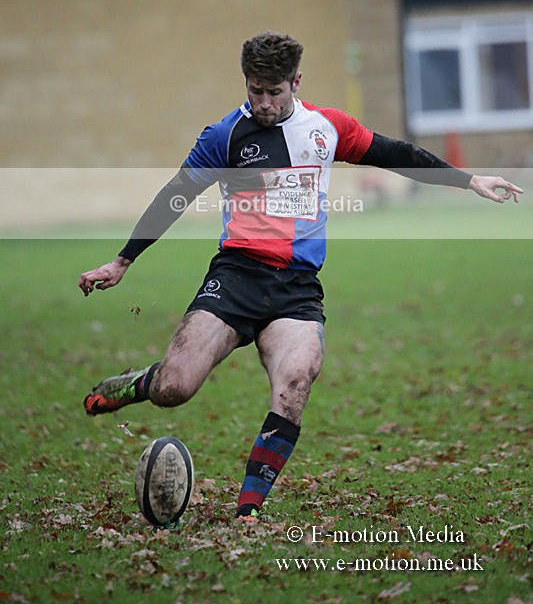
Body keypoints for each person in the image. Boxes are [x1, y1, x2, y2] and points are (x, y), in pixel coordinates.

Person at [79, 32, 523, 521]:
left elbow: (393, 152)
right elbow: (174, 196)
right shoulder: (223, 137)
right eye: (255, 91)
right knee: (175, 389)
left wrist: (469, 179)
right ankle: (139, 384)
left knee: (295, 381)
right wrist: (122, 261)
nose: (265, 103)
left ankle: (247, 511)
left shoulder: (325, 128)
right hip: (236, 277)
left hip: (296, 288)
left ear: (296, 81)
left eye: (275, 91)